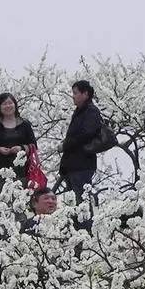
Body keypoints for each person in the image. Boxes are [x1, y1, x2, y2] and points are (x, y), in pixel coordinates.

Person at [58, 79, 103, 208]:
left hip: (82, 164)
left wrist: (65, 145)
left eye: (75, 93)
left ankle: (85, 227)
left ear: (85, 94)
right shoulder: (80, 111)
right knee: (74, 202)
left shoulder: (90, 111)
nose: (73, 96)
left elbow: (86, 135)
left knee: (82, 202)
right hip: (73, 164)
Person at [0, 92, 37, 192]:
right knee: (2, 199)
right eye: (4, 104)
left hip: (22, 170)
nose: (8, 106)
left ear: (15, 105)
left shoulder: (25, 125)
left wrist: (21, 148)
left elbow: (34, 145)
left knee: (21, 198)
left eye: (10, 103)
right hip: (1, 169)